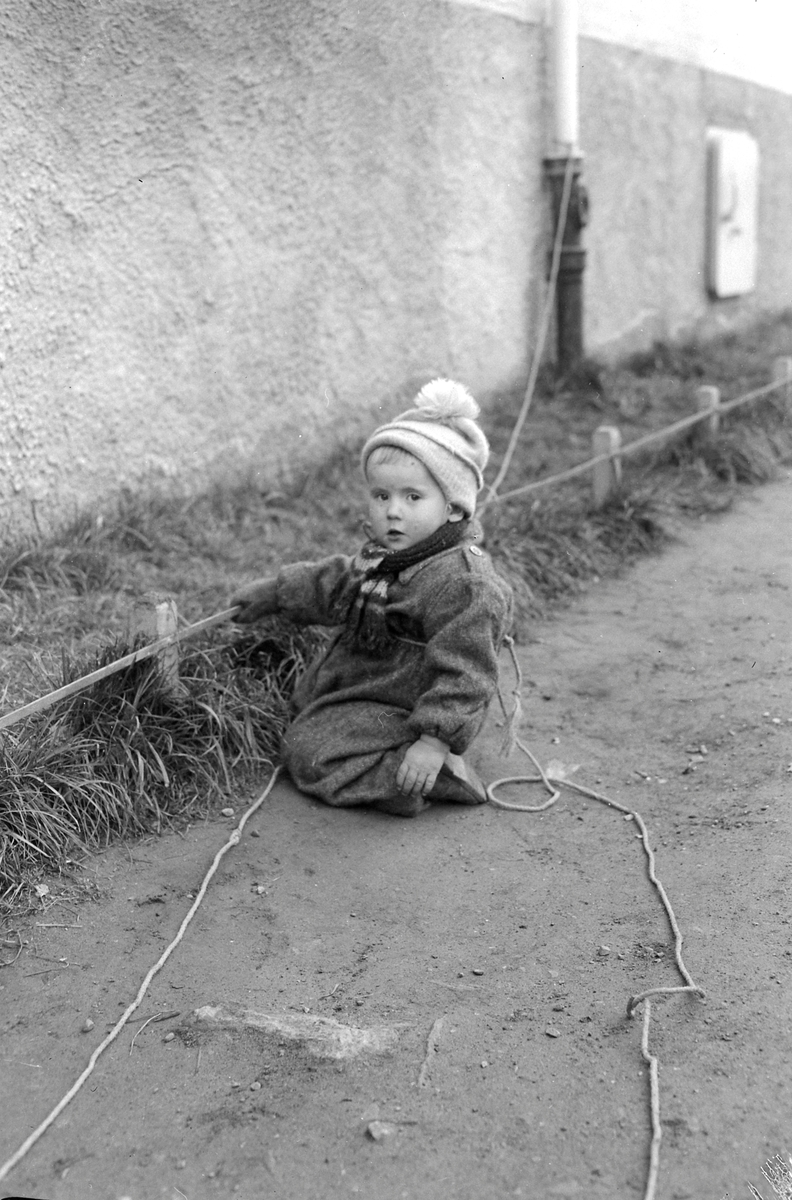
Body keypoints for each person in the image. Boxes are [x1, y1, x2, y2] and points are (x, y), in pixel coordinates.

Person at [230, 378, 513, 817]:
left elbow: (467, 671)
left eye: (412, 497)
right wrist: (277, 593)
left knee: (309, 753)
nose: (392, 510)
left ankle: (414, 777)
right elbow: (339, 582)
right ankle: (375, 748)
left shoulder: (464, 583)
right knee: (307, 725)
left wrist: (433, 740)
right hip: (372, 687)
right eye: (381, 495)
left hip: (407, 702)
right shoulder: (386, 559)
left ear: (454, 508)